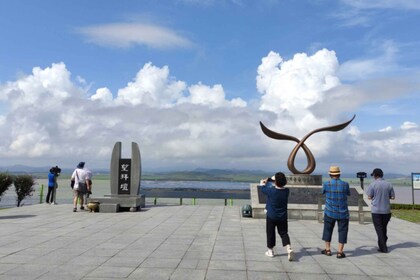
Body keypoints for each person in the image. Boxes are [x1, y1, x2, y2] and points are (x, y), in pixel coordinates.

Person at [260, 172, 294, 261]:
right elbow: (279, 185)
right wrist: (273, 181)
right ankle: (288, 248)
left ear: (275, 182)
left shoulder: (271, 191)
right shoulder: (286, 191)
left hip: (271, 216)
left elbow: (263, 188)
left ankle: (270, 251)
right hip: (282, 217)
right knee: (283, 233)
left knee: (270, 232)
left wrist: (264, 182)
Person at [321, 166, 350, 259]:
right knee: (342, 231)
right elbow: (348, 193)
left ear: (330, 174)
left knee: (327, 230)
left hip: (329, 211)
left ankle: (328, 250)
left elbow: (322, 192)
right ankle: (340, 252)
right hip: (343, 212)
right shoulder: (345, 184)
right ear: (339, 174)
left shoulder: (326, 184)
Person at [366, 168, 395, 253]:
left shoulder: (373, 184)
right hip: (386, 210)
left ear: (375, 175)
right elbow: (392, 197)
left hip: (376, 210)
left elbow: (369, 197)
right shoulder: (389, 184)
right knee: (383, 228)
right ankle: (382, 244)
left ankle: (383, 247)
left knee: (379, 228)